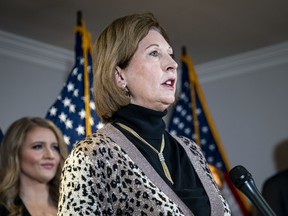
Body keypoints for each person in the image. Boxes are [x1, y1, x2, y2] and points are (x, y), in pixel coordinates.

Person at [58, 12, 231, 215]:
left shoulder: (191, 151)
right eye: (154, 53)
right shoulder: (91, 155)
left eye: (170, 54)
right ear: (120, 75)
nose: (173, 64)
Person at [0, 117, 68, 215]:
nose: (50, 155)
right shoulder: (3, 209)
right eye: (38, 146)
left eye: (55, 148)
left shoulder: (77, 204)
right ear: (15, 153)